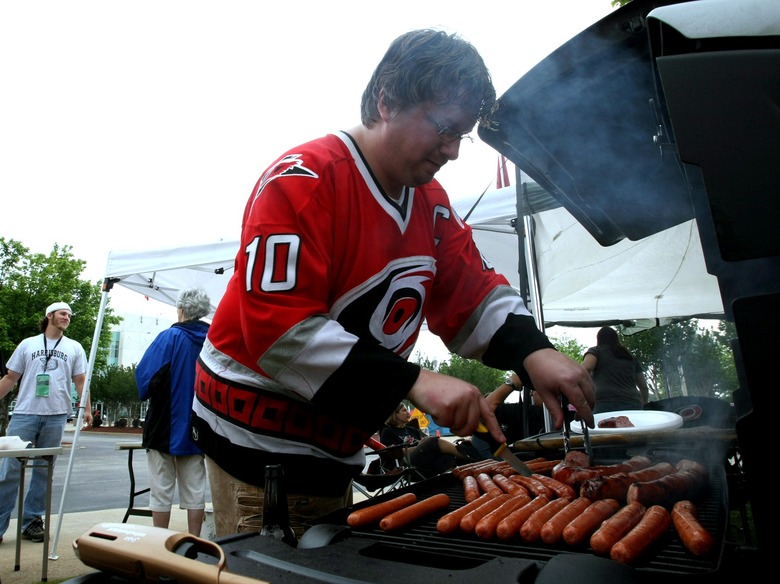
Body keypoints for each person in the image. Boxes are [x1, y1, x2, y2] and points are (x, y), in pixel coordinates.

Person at [190, 28, 595, 538]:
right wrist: (414, 381)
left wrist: (533, 352)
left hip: (334, 446)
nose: (452, 150)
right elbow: (278, 330)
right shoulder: (303, 180)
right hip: (258, 447)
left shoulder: (432, 202)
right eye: (445, 128)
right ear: (387, 100)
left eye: (461, 135)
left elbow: (471, 292)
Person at [0, 301, 90, 544]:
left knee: (43, 471)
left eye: (70, 315)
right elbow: (10, 377)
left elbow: (81, 380)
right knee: (9, 470)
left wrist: (87, 408)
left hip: (56, 415)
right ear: (49, 315)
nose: (67, 317)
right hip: (25, 413)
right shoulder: (28, 344)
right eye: (63, 313)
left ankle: (31, 522)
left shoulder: (74, 347)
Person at [136, 288, 211, 536]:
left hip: (164, 425)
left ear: (180, 309)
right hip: (199, 424)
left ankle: (161, 544)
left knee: (161, 488)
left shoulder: (169, 337)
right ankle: (195, 541)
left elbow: (146, 379)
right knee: (195, 488)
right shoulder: (212, 340)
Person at [379, 403, 478, 478]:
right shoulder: (388, 432)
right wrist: (419, 446)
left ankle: (457, 478)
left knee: (446, 456)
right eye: (404, 411)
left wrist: (424, 443)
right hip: (405, 465)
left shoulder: (412, 430)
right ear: (395, 415)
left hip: (424, 462)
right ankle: (469, 455)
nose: (409, 413)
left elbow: (427, 441)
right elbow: (392, 453)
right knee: (432, 441)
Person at [470, 372, 546, 460]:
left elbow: (483, 410)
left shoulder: (538, 413)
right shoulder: (524, 412)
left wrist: (510, 383)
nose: (531, 394)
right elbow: (481, 412)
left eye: (533, 390)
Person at [582, 326, 649, 415]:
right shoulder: (629, 356)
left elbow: (585, 369)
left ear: (599, 339)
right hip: (633, 403)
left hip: (604, 402)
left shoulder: (596, 351)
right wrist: (643, 405)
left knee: (605, 427)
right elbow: (643, 387)